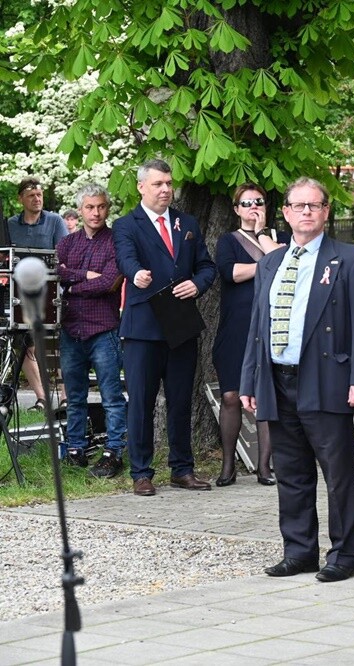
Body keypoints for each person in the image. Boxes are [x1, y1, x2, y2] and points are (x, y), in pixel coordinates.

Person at [241, 177, 354, 582]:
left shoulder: (349, 258)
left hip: (326, 378)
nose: (306, 212)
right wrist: (249, 380)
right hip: (277, 379)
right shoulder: (270, 262)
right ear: (284, 212)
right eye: (298, 206)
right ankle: (300, 551)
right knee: (291, 471)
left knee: (337, 472)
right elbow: (257, 326)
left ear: (325, 211)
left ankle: (343, 554)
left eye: (314, 206)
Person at [114, 159, 218, 496]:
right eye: (158, 184)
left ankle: (182, 469)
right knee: (141, 402)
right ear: (141, 187)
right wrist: (136, 274)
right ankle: (141, 472)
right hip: (143, 326)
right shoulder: (126, 224)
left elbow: (206, 265)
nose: (165, 190)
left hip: (181, 325)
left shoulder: (186, 223)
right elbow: (125, 257)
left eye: (169, 183)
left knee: (180, 401)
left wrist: (197, 285)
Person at [212, 183, 285, 487]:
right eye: (246, 203)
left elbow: (285, 266)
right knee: (230, 396)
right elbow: (231, 273)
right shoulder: (228, 241)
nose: (252, 207)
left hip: (270, 326)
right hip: (236, 326)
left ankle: (264, 467)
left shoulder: (282, 238)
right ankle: (228, 465)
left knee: (265, 397)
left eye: (258, 202)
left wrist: (263, 236)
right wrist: (267, 263)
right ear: (236, 209)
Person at [55, 184, 126, 478]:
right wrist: (83, 275)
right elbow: (57, 274)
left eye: (100, 206)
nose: (95, 212)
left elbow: (110, 282)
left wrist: (72, 284)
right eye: (89, 207)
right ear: (80, 209)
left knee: (111, 396)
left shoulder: (118, 242)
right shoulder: (67, 244)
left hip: (103, 329)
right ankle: (75, 449)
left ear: (107, 208)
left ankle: (113, 452)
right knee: (74, 396)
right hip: (71, 329)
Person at [7, 177, 68, 411]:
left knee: (58, 345)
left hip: (50, 288)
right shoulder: (10, 224)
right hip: (18, 290)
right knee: (23, 343)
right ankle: (42, 398)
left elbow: (64, 254)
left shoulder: (54, 221)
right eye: (32, 195)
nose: (37, 199)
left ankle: (65, 398)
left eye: (40, 195)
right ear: (21, 198)